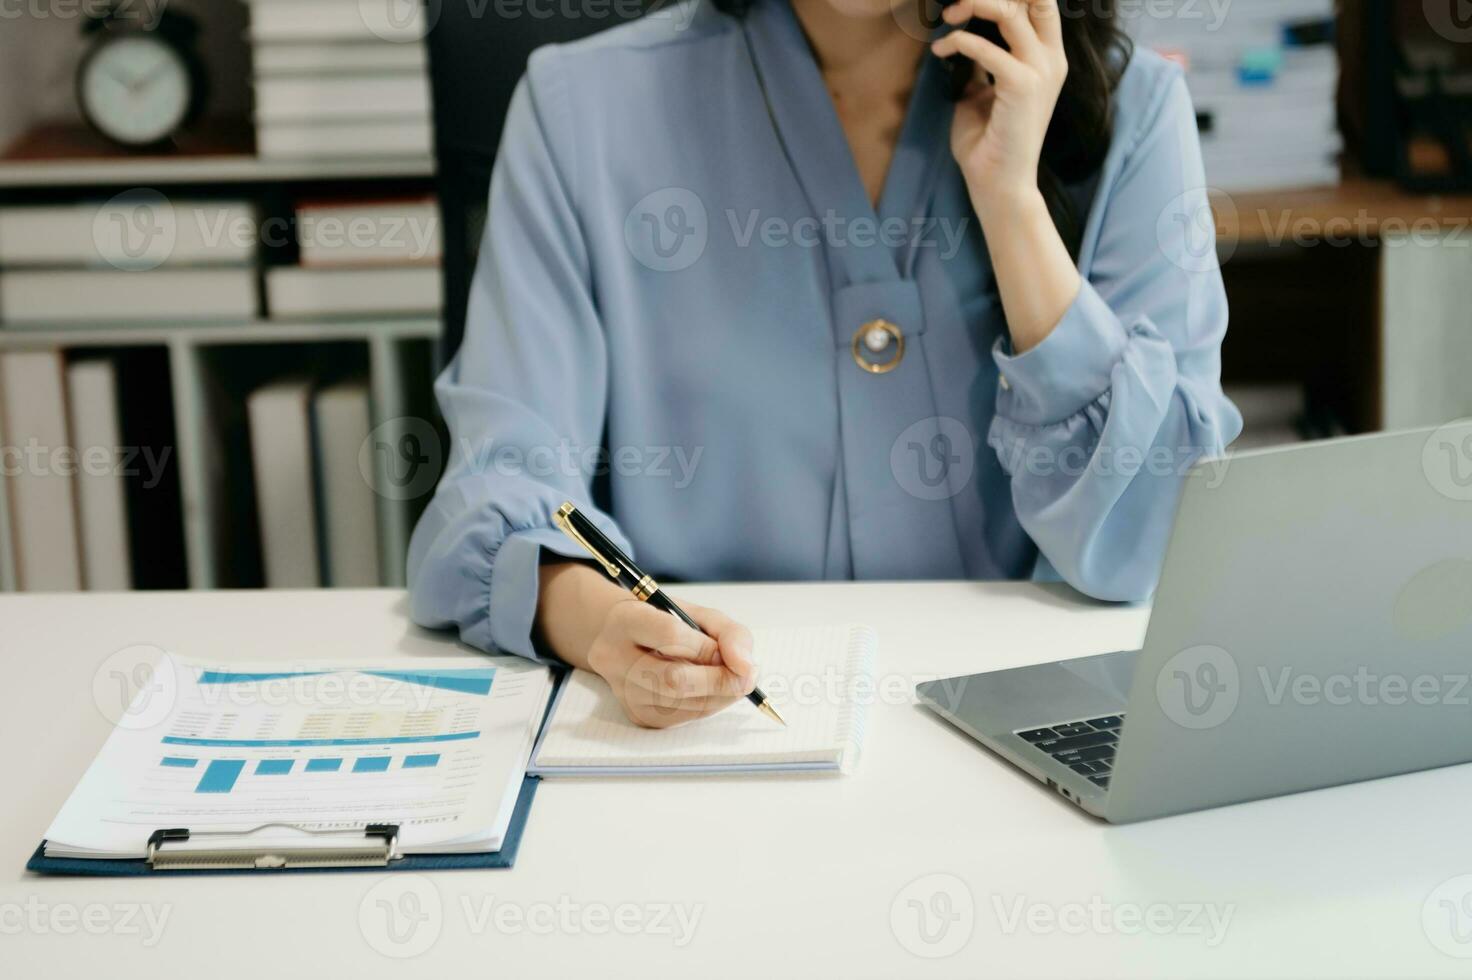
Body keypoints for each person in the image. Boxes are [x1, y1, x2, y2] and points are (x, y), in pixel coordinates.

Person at [408, 0, 1242, 728]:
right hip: (706, 751)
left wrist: (1013, 205)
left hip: (1028, 746)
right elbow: (504, 478)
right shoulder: (579, 109)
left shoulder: (1133, 110)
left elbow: (1150, 543)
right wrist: (601, 624)